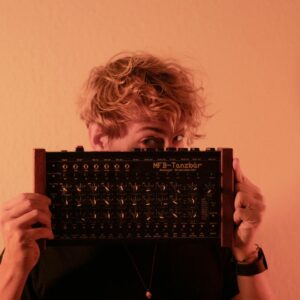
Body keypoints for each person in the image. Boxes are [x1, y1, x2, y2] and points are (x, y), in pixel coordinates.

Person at [0, 52, 274, 299]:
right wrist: (13, 266)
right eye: (151, 143)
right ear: (100, 137)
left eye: (177, 139)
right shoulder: (42, 233)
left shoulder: (204, 220)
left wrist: (245, 251)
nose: (169, 156)